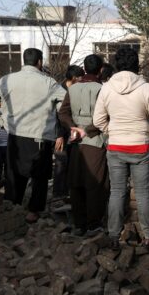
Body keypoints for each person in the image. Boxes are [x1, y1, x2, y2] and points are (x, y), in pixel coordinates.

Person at [93, 47, 149, 249]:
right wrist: (147, 135)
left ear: (116, 65)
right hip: (140, 147)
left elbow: (98, 121)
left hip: (115, 146)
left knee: (116, 191)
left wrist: (111, 131)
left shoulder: (106, 88)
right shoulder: (146, 88)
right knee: (142, 193)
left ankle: (113, 236)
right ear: (136, 65)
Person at [0, 48, 66, 223]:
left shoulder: (7, 79)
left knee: (14, 172)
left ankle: (12, 205)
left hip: (14, 134)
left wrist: (0, 121)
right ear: (39, 62)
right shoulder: (48, 82)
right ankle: (33, 210)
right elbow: (65, 102)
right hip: (40, 136)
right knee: (39, 176)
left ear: (24, 60)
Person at [59, 54, 109, 237]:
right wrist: (86, 130)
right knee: (96, 183)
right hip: (95, 141)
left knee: (76, 182)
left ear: (85, 68)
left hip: (75, 141)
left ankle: (79, 224)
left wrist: (72, 127)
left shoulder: (72, 89)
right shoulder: (103, 89)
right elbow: (104, 118)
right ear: (101, 69)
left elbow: (63, 112)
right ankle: (93, 224)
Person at [53, 65, 84, 198]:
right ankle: (59, 194)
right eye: (80, 78)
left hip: (72, 133)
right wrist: (59, 135)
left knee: (71, 163)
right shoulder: (61, 91)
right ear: (73, 78)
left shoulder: (75, 91)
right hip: (61, 134)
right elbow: (57, 116)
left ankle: (69, 193)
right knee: (60, 163)